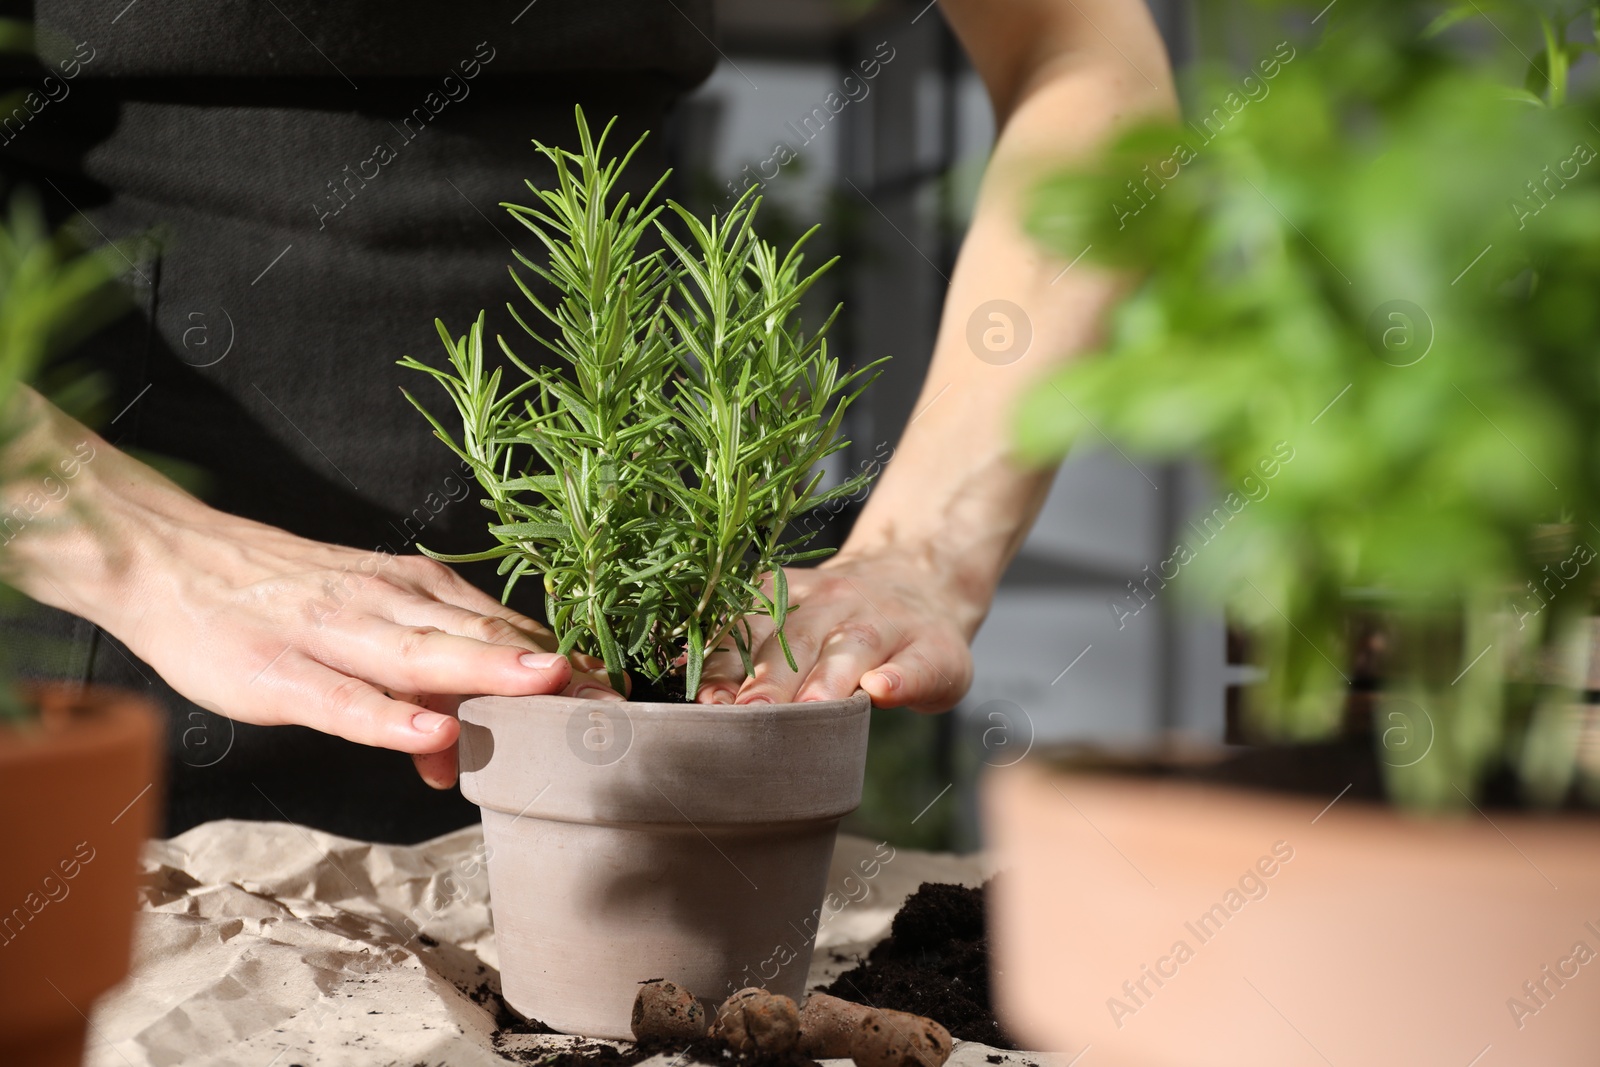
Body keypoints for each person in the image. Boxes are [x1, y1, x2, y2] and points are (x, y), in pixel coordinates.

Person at [0, 0, 1174, 840]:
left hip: (612, 701)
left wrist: (923, 550)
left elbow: (1088, 66)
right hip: (88, 687)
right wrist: (137, 547)